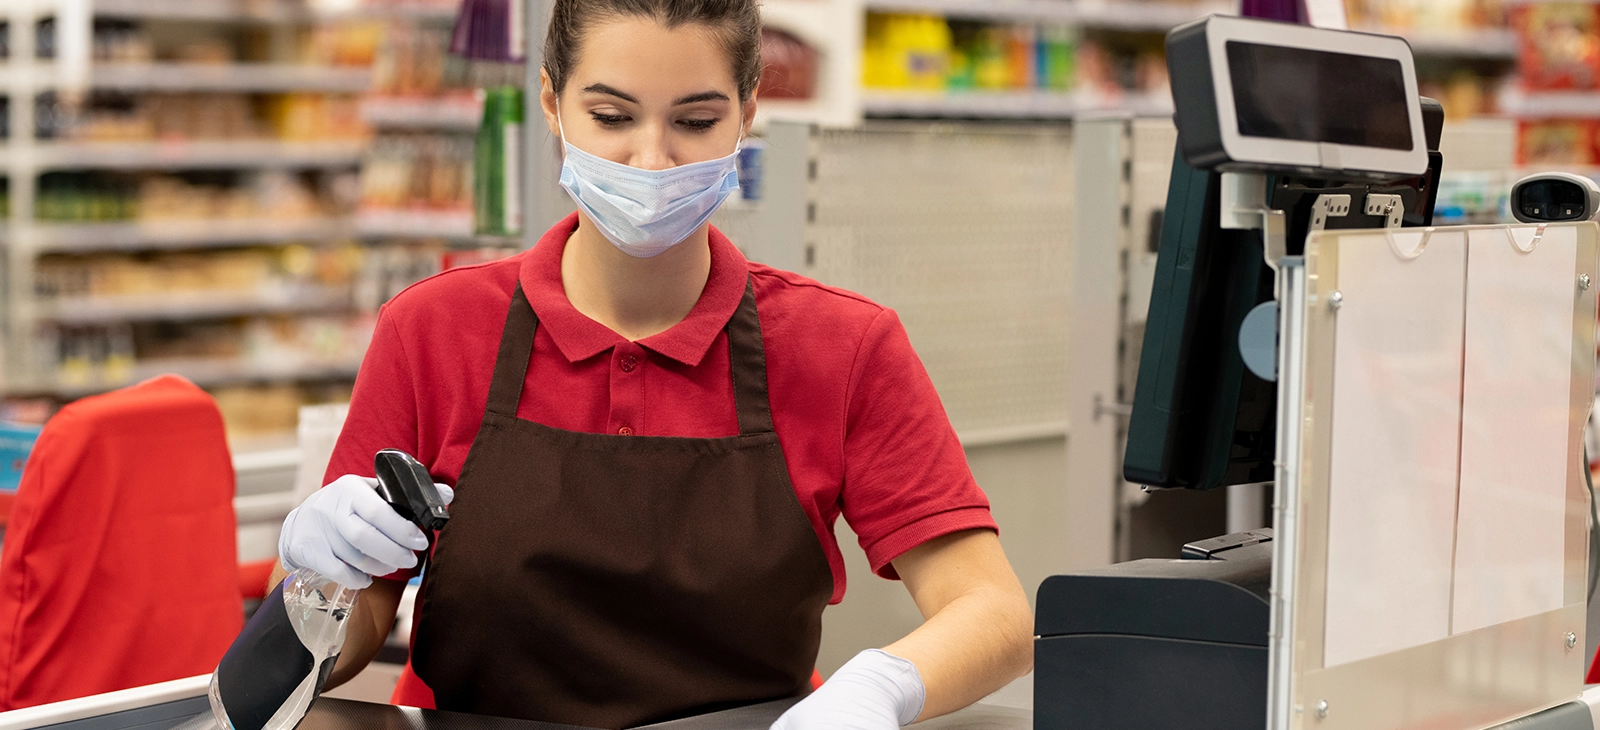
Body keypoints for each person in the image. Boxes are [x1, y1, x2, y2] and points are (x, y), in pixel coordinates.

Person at [273, 1, 1033, 728]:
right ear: (551, 102)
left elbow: (993, 611)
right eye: (610, 116)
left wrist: (882, 685)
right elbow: (350, 627)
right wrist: (322, 583)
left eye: (696, 121)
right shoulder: (432, 331)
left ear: (748, 111)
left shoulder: (843, 345)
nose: (651, 159)